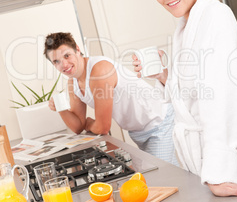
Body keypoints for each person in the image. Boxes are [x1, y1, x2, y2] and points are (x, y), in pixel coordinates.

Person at [133, 0, 237, 201]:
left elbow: (219, 99)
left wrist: (218, 174)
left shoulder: (216, 17)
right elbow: (190, 93)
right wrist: (163, 75)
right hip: (199, 157)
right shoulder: (185, 26)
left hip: (220, 160)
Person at [44, 32, 179, 166]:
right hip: (138, 131)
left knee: (165, 178)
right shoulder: (73, 83)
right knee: (158, 179)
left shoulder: (100, 70)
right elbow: (78, 126)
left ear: (77, 50)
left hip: (159, 122)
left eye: (67, 56)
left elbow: (103, 127)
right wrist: (60, 108)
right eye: (57, 61)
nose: (64, 64)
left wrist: (89, 124)